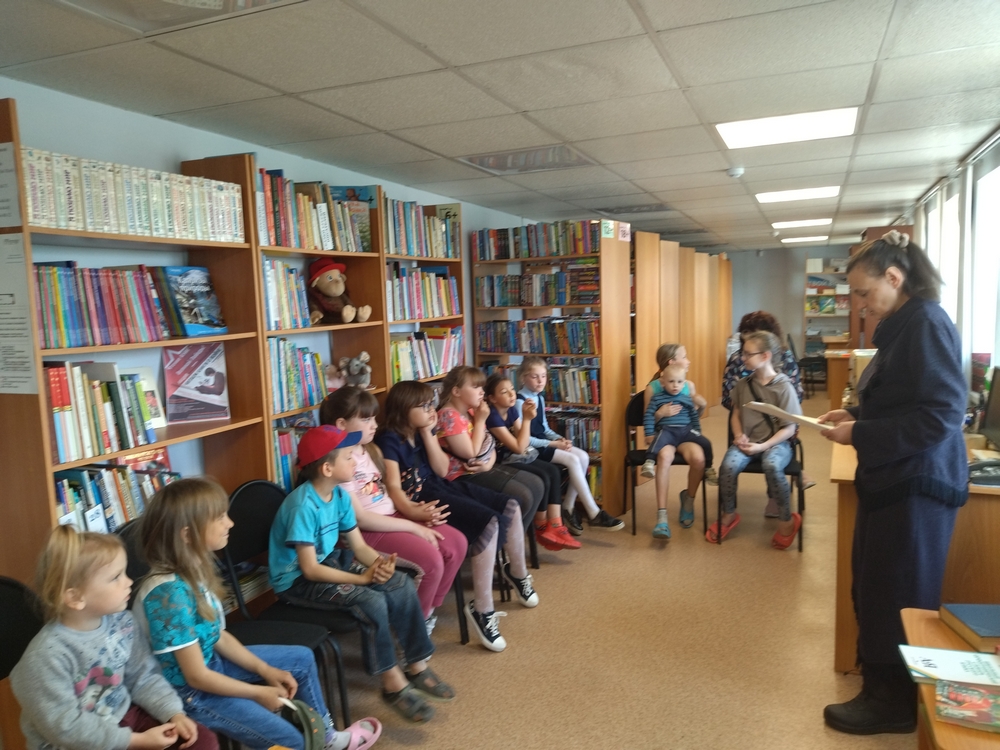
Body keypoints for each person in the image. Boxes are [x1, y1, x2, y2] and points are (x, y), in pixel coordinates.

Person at [819, 231, 967, 735]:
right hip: (895, 481)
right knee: (876, 584)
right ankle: (879, 688)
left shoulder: (926, 323)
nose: (860, 305)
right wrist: (857, 415)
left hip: (917, 486)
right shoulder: (904, 324)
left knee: (899, 590)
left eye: (864, 293)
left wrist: (860, 433)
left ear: (894, 277)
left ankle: (895, 703)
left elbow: (941, 414)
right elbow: (904, 399)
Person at [133, 477, 381, 748]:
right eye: (220, 517)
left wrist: (265, 669)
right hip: (190, 694)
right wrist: (256, 692)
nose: (230, 523)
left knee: (301, 659)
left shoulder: (193, 568)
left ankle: (326, 739)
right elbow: (196, 677)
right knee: (294, 742)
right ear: (187, 534)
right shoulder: (167, 595)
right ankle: (312, 743)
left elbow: (218, 635)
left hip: (210, 665)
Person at [267, 426, 453, 724]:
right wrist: (363, 579)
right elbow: (310, 570)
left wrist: (380, 565)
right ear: (327, 468)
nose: (356, 461)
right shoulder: (303, 505)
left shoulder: (339, 496)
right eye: (348, 457)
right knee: (371, 600)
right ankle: (392, 683)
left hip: (329, 563)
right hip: (297, 582)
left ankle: (416, 664)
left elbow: (359, 547)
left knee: (399, 583)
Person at [10, 526, 217, 750]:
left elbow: (144, 677)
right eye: (116, 577)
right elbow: (66, 727)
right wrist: (136, 742)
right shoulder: (44, 657)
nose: (129, 582)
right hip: (75, 742)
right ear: (76, 598)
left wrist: (173, 713)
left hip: (123, 718)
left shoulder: (123, 622)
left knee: (202, 742)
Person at [375, 381, 539, 653]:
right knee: (489, 522)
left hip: (439, 485)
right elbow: (394, 486)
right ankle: (482, 609)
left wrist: (428, 433)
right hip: (420, 497)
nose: (430, 410)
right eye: (423, 406)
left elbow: (440, 470)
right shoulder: (389, 439)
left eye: (430, 404)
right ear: (404, 409)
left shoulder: (421, 431)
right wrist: (412, 511)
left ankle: (517, 574)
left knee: (510, 505)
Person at [319, 386, 468, 634]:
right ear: (341, 424)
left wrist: (415, 511)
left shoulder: (370, 449)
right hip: (365, 532)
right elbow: (361, 518)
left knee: (457, 543)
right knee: (431, 561)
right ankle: (412, 632)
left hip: (390, 518)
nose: (375, 425)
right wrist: (414, 527)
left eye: (374, 418)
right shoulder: (338, 463)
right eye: (366, 419)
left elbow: (386, 493)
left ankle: (425, 613)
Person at [710, 331, 803, 549]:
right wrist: (738, 435)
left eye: (748, 354)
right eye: (743, 353)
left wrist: (763, 446)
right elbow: (735, 414)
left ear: (765, 356)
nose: (742, 358)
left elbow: (790, 428)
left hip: (776, 443)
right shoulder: (743, 385)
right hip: (748, 442)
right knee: (727, 466)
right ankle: (729, 513)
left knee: (772, 465)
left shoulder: (783, 386)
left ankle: (786, 520)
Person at [516, 356, 624, 533]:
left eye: (543, 376)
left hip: (546, 443)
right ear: (523, 378)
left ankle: (568, 506)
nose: (540, 381)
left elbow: (544, 427)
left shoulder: (539, 398)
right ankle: (594, 513)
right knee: (572, 460)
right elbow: (525, 439)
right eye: (535, 377)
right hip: (532, 449)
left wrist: (560, 439)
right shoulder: (520, 402)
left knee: (583, 457)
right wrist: (552, 444)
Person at [435, 365, 545, 533]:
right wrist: (480, 421)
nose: (482, 392)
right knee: (524, 496)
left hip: (481, 468)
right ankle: (505, 539)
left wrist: (487, 465)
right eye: (475, 387)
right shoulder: (448, 415)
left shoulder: (471, 411)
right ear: (456, 391)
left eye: (482, 387)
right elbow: (471, 453)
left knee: (537, 484)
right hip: (462, 476)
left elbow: (489, 443)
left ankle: (512, 538)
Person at [721, 311, 814, 504]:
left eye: (755, 332)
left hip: (778, 419)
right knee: (732, 460)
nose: (749, 336)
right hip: (747, 419)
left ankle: (777, 496)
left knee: (776, 452)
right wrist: (748, 405)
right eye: (746, 332)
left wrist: (769, 402)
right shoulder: (738, 359)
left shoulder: (784, 358)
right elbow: (729, 396)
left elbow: (795, 396)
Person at [484, 371, 580, 551]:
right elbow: (519, 446)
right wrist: (527, 419)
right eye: (504, 392)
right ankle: (540, 526)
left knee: (552, 471)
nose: (512, 394)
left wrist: (524, 420)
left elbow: (523, 441)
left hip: (515, 456)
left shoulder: (511, 409)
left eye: (512, 389)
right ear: (492, 398)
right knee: (542, 477)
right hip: (502, 461)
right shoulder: (492, 416)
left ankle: (556, 525)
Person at [641, 344, 715, 538]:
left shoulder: (687, 385)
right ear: (671, 362)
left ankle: (688, 499)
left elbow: (693, 415)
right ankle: (662, 517)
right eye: (685, 357)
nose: (688, 361)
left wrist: (702, 406)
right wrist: (660, 414)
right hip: (664, 434)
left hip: (684, 432)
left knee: (699, 459)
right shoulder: (652, 388)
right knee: (664, 457)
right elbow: (647, 417)